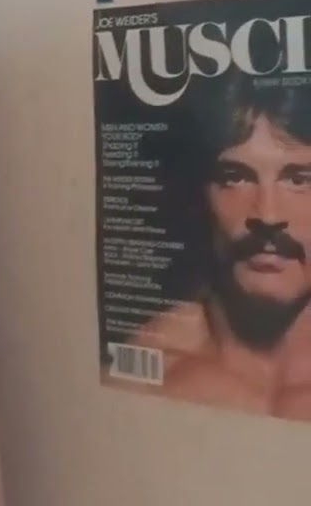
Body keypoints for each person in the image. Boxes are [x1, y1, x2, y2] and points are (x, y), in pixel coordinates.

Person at [131, 77, 311, 419]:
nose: (268, 214)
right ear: (198, 196)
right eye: (235, 177)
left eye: (299, 180)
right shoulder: (150, 373)